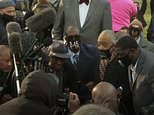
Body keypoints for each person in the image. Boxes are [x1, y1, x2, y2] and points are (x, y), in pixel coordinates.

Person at [97, 31, 134, 115]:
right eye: (98, 44)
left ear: (114, 46)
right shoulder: (96, 59)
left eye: (105, 44)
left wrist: (118, 92)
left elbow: (127, 85)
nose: (101, 48)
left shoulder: (122, 62)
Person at [116, 35, 154, 115]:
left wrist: (146, 111)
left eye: (121, 55)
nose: (119, 58)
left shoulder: (151, 66)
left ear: (132, 51)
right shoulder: (130, 60)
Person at [63, 26, 100, 104]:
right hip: (69, 97)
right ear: (65, 39)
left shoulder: (92, 51)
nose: (74, 40)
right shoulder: (62, 53)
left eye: (76, 37)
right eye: (70, 37)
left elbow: (97, 71)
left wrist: (94, 82)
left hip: (88, 96)